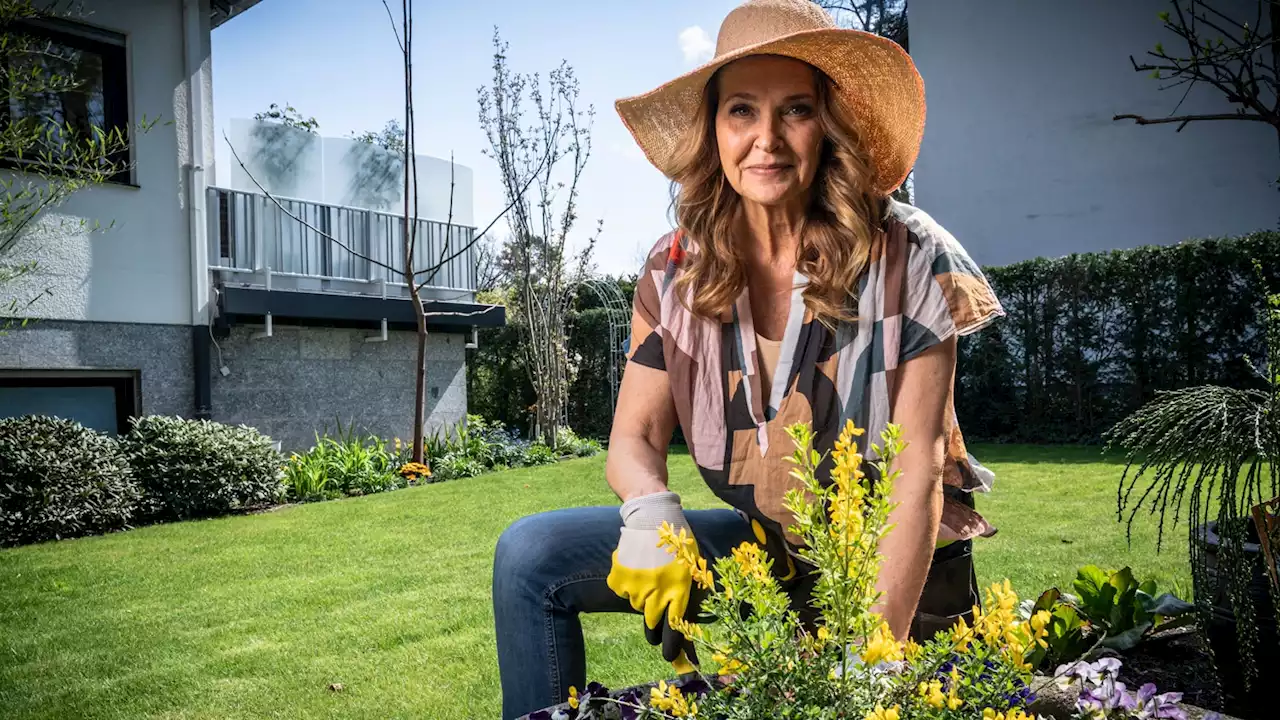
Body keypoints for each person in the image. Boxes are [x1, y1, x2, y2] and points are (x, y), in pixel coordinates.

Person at [491, 1, 1005, 717]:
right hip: (771, 551)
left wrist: (872, 666)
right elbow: (634, 438)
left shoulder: (909, 256)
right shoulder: (673, 272)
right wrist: (650, 514)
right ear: (714, 129)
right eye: (741, 111)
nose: (767, 139)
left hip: (896, 576)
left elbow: (915, 467)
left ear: (828, 124)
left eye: (795, 109)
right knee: (529, 558)